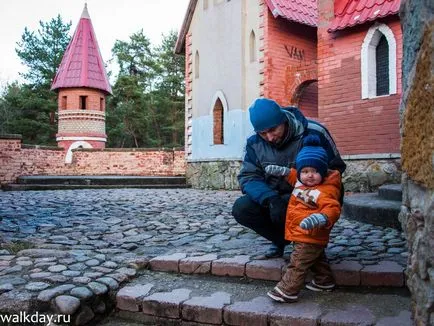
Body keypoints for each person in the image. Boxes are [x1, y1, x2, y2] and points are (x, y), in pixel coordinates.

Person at [232, 98, 346, 258]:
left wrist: (307, 190)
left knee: (330, 196)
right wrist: (270, 199)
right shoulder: (254, 143)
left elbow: (336, 168)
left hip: (309, 195)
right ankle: (281, 240)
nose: (269, 137)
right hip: (275, 196)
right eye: (263, 133)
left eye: (273, 130)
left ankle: (312, 245)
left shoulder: (314, 132)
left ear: (283, 120)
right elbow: (248, 177)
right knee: (242, 208)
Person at [265, 135, 342, 303]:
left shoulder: (326, 191)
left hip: (311, 232)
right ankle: (324, 281)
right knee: (315, 258)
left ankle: (287, 290)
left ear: (322, 172)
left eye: (315, 171)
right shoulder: (301, 182)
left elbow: (333, 208)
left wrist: (321, 217)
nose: (310, 176)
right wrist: (283, 172)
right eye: (305, 171)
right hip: (301, 233)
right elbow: (293, 175)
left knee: (298, 263)